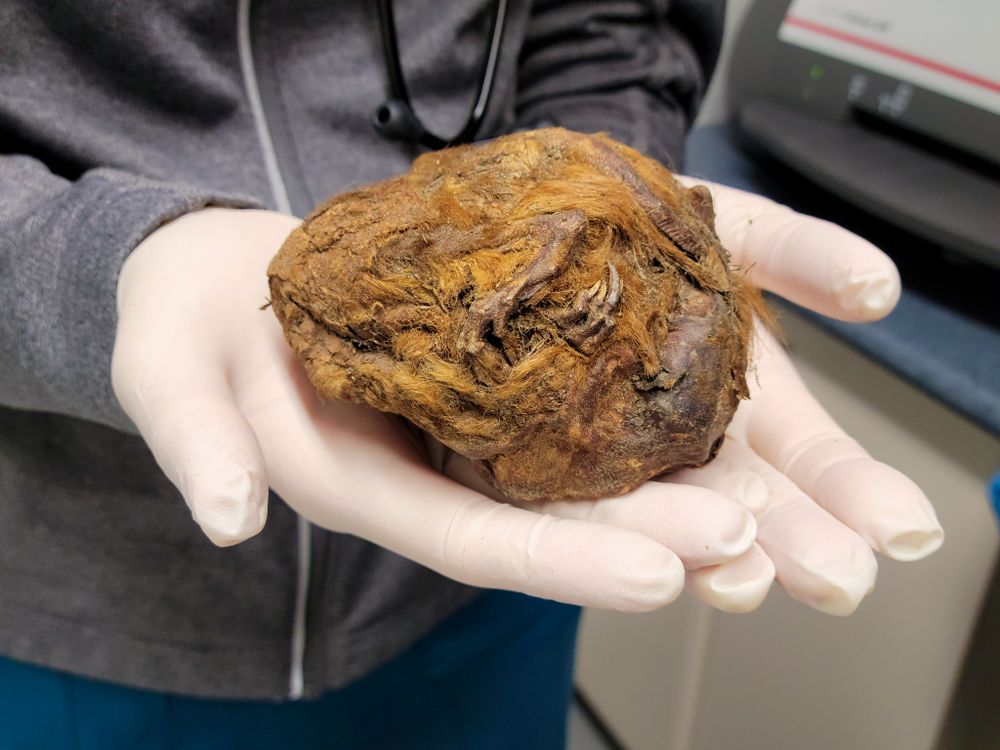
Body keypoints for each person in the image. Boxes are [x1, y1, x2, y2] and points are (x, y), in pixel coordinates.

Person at [0, 1, 943, 747]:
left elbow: (612, 27)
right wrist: (97, 265)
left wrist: (613, 172)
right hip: (88, 603)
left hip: (480, 609)